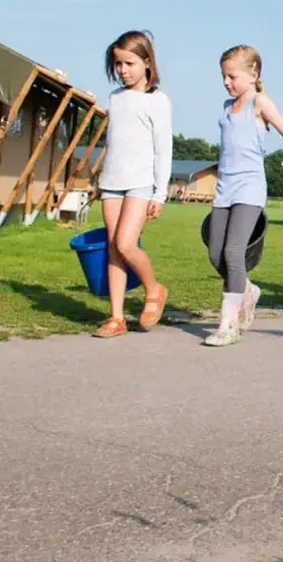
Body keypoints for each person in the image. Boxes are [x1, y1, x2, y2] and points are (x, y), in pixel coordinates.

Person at [204, 45, 283, 347]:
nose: (226, 82)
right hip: (224, 189)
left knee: (234, 253)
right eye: (223, 76)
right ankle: (247, 289)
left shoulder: (260, 103)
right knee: (215, 254)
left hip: (249, 187)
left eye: (232, 76)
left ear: (253, 74)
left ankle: (228, 325)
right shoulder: (226, 107)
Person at [93, 31, 172, 338]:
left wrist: (160, 194)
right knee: (114, 249)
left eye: (129, 63)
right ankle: (117, 318)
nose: (122, 70)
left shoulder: (158, 101)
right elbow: (114, 143)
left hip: (141, 183)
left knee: (126, 244)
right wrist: (98, 180)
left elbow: (163, 150)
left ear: (147, 62)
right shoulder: (115, 98)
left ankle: (154, 290)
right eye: (118, 64)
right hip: (111, 182)